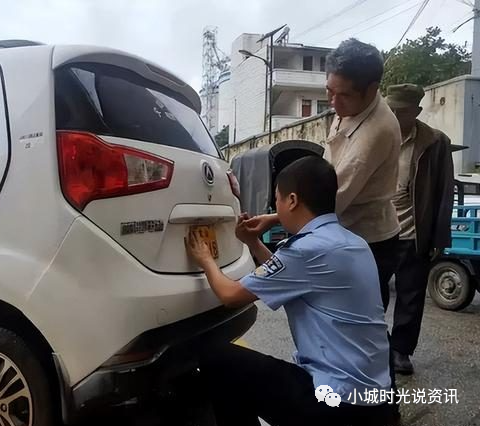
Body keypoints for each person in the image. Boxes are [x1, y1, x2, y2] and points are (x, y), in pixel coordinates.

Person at [185, 156, 392, 426]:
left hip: (337, 406)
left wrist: (205, 259)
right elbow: (290, 275)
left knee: (218, 359)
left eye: (277, 200)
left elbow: (231, 295)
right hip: (376, 400)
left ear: (292, 200)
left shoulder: (306, 250)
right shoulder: (354, 243)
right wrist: (253, 242)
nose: (276, 209)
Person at [323, 38, 402, 312]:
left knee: (362, 320)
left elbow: (333, 198)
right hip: (342, 230)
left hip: (368, 242)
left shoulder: (376, 131)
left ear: (372, 89)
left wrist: (278, 217)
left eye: (343, 95)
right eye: (329, 91)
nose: (334, 103)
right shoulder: (348, 106)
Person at [386, 83, 454, 375]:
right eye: (390, 110)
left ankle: (400, 351)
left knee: (411, 296)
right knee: (371, 293)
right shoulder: (378, 136)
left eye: (401, 111)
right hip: (378, 231)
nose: (393, 116)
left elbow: (445, 191)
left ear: (416, 111)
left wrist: (440, 236)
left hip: (414, 233)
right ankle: (375, 345)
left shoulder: (435, 142)